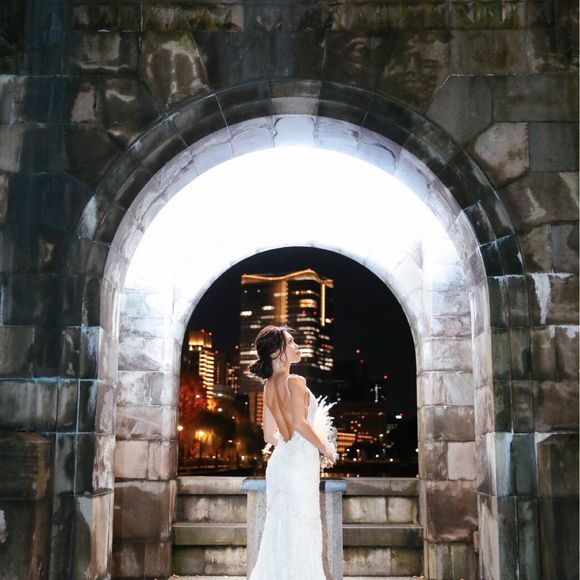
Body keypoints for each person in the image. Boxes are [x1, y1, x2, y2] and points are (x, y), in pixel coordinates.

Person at [248, 325, 337, 580]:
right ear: (276, 352)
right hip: (298, 468)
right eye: (290, 342)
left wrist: (291, 446)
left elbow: (269, 436)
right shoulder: (295, 381)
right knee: (303, 528)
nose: (297, 346)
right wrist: (325, 449)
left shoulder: (268, 387)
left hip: (279, 466)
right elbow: (299, 423)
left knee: (279, 529)